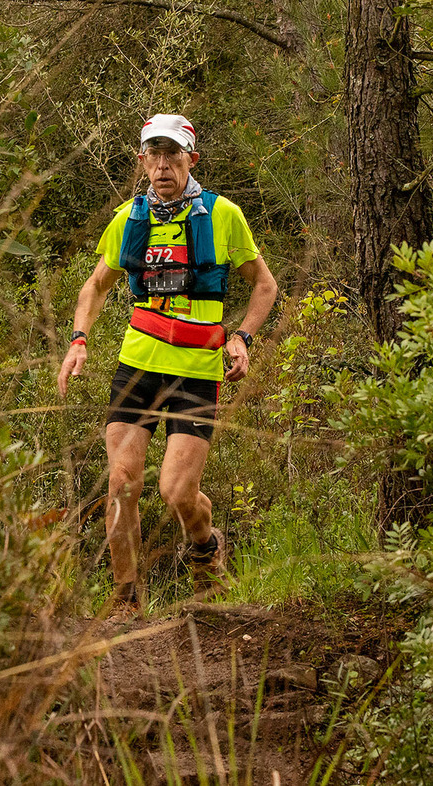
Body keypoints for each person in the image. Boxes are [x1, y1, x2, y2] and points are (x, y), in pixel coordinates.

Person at [57, 113, 279, 618]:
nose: (162, 165)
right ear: (142, 161)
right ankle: (125, 599)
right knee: (121, 484)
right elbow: (95, 286)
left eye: (172, 154)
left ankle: (205, 548)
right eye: (153, 154)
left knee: (177, 491)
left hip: (197, 370)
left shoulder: (223, 215)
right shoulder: (129, 219)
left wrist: (242, 337)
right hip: (137, 365)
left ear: (190, 159)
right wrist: (79, 339)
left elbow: (265, 285)